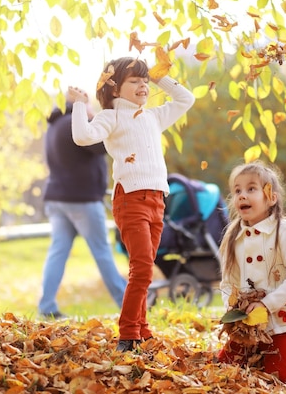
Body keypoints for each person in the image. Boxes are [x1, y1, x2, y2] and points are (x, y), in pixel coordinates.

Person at [68, 57, 195, 352]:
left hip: (156, 201)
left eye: (145, 81)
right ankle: (128, 335)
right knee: (142, 269)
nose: (143, 86)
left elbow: (186, 98)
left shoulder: (152, 117)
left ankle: (142, 328)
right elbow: (82, 136)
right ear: (114, 89)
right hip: (131, 200)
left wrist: (157, 73)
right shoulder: (111, 117)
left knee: (146, 266)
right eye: (134, 81)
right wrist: (79, 104)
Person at [217, 161, 286, 382]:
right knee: (225, 371)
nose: (242, 195)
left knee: (280, 377)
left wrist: (266, 304)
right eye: (237, 190)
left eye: (251, 189)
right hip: (247, 324)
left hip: (284, 321)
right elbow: (227, 283)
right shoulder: (232, 237)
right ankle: (258, 353)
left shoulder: (285, 231)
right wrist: (233, 312)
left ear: (271, 197)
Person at [39, 92, 127, 319]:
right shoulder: (74, 123)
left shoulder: (55, 125)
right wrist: (97, 119)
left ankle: (47, 306)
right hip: (82, 200)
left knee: (57, 251)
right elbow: (102, 146)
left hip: (57, 199)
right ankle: (128, 304)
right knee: (102, 252)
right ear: (79, 105)